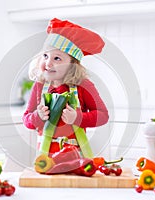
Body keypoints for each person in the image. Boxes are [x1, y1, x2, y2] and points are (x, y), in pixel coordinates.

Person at [22, 18, 109, 156]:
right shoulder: (39, 86)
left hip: (75, 158)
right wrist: (37, 116)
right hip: (45, 159)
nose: (48, 63)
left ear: (72, 64)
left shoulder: (83, 85)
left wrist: (77, 118)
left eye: (57, 58)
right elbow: (26, 120)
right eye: (45, 56)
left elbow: (103, 116)